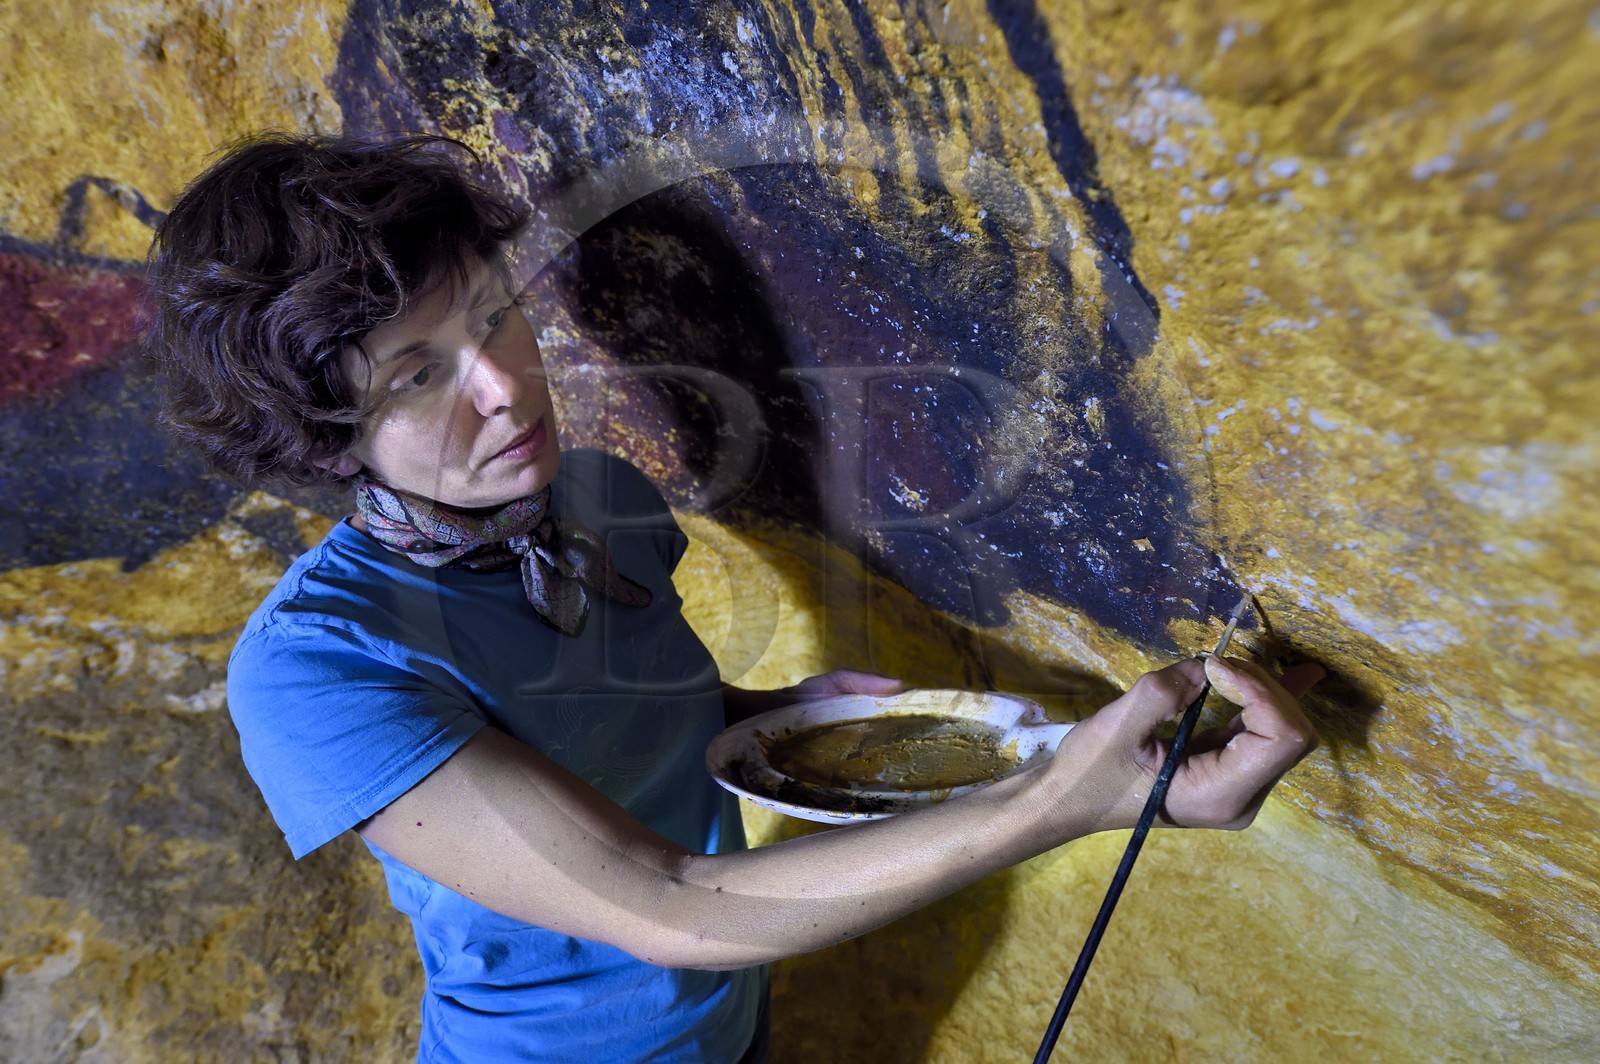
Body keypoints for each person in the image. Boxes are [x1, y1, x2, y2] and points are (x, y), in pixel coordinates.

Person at [142, 132, 1323, 1064]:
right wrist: (1075, 797)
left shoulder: (595, 502)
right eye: (417, 372)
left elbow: (645, 715)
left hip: (730, 1017)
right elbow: (663, 901)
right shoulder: (319, 669)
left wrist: (780, 718)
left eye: (494, 311)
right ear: (321, 432)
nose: (506, 385)